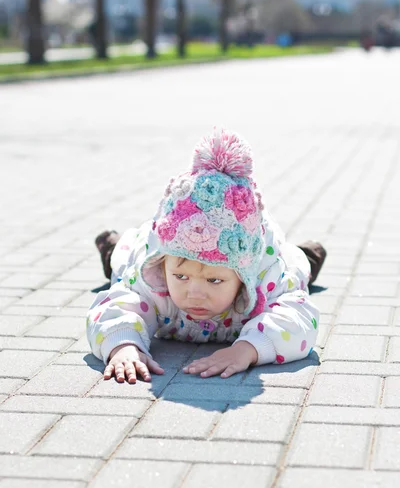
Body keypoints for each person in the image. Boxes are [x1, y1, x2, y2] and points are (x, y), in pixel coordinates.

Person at [87, 128, 326, 384]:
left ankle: (308, 255)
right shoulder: (156, 282)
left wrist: (248, 349)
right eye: (181, 276)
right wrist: (122, 345)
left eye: (214, 280)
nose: (195, 293)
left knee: (294, 268)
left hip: (248, 243)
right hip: (161, 242)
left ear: (242, 280)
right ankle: (111, 248)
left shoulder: (262, 283)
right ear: (164, 267)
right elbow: (116, 305)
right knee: (124, 262)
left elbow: (299, 318)